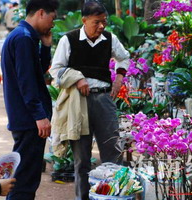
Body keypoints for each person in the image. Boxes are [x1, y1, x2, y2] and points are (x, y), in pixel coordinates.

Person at [50, 1, 130, 199]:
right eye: (97, 22)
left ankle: (113, 196)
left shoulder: (110, 39)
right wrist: (77, 78)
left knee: (113, 152)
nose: (102, 26)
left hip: (104, 99)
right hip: (78, 103)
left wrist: (119, 79)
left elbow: (124, 57)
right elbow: (55, 70)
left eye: (104, 21)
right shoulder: (68, 40)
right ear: (84, 20)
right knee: (81, 158)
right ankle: (82, 197)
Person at [0, 0, 59, 199]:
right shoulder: (23, 38)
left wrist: (46, 47)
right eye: (53, 18)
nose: (53, 24)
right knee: (25, 179)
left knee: (27, 174)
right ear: (41, 13)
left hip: (25, 118)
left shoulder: (24, 36)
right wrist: (39, 115)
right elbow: (28, 83)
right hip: (28, 120)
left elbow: (36, 72)